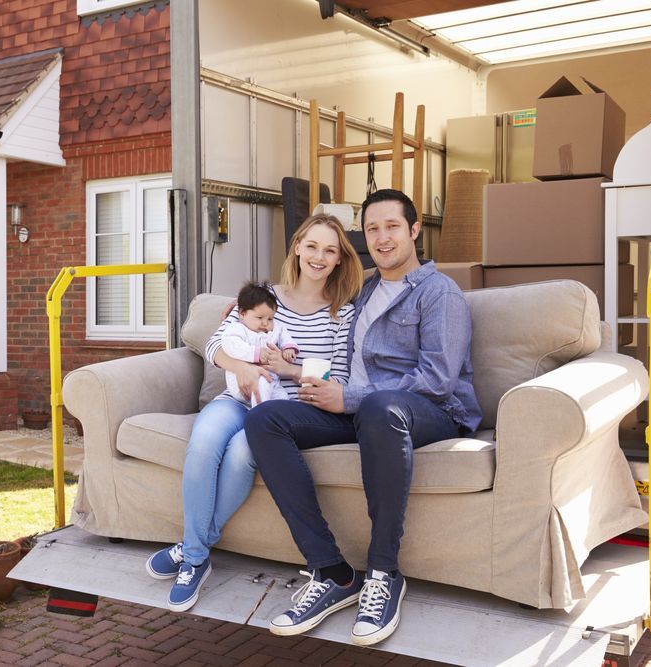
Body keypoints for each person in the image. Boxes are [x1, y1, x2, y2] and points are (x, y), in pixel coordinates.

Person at [244, 189, 481, 646]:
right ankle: (332, 571)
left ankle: (384, 573)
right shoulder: (364, 288)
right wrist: (248, 315)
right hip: (365, 410)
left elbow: (436, 380)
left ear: (414, 231)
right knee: (267, 420)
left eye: (392, 226)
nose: (382, 237)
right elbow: (302, 304)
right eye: (372, 229)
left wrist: (350, 398)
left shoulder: (438, 293)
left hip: (430, 413)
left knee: (376, 406)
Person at [145, 213, 363, 613]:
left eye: (330, 250)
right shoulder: (261, 296)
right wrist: (242, 367)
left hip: (287, 408)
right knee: (204, 442)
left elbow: (341, 377)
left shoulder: (341, 313)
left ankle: (191, 552)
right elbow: (215, 346)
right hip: (237, 395)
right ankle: (196, 557)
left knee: (245, 452)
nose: (319, 256)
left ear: (338, 260)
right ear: (297, 247)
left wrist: (290, 369)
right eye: (312, 246)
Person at [221, 281, 299, 407]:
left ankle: (272, 417)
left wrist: (288, 348)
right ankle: (258, 415)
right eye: (259, 318)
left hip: (272, 382)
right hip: (243, 383)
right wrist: (255, 354)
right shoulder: (237, 329)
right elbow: (230, 345)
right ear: (242, 314)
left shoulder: (275, 329)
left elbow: (284, 335)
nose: (265, 323)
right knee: (262, 386)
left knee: (283, 398)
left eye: (270, 319)